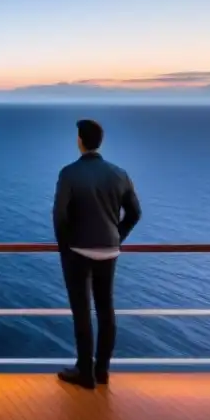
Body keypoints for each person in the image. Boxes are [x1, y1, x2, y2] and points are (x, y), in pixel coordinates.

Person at [52, 119, 142, 389]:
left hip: (78, 251)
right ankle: (102, 370)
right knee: (106, 309)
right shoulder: (119, 174)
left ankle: (84, 371)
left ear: (80, 140)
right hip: (109, 250)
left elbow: (59, 216)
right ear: (99, 142)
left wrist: (65, 248)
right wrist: (117, 237)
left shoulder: (69, 174)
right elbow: (135, 213)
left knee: (82, 311)